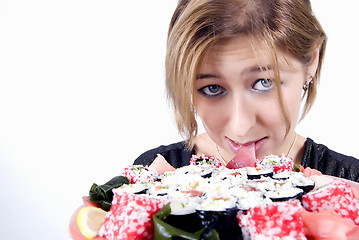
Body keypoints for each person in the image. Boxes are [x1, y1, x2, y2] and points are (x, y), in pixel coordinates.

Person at [134, 0, 359, 182]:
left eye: (264, 83)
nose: (240, 127)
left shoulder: (351, 180)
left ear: (311, 62)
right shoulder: (152, 174)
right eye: (212, 88)